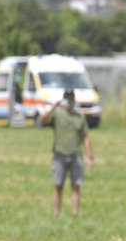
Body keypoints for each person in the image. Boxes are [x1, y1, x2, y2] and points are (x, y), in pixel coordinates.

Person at [40, 88, 95, 217]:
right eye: (67, 97)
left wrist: (90, 157)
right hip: (59, 154)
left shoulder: (79, 117)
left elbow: (85, 137)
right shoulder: (57, 115)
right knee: (58, 185)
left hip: (76, 155)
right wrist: (53, 107)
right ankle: (57, 213)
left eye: (71, 98)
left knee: (76, 186)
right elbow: (42, 120)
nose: (69, 100)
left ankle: (75, 213)